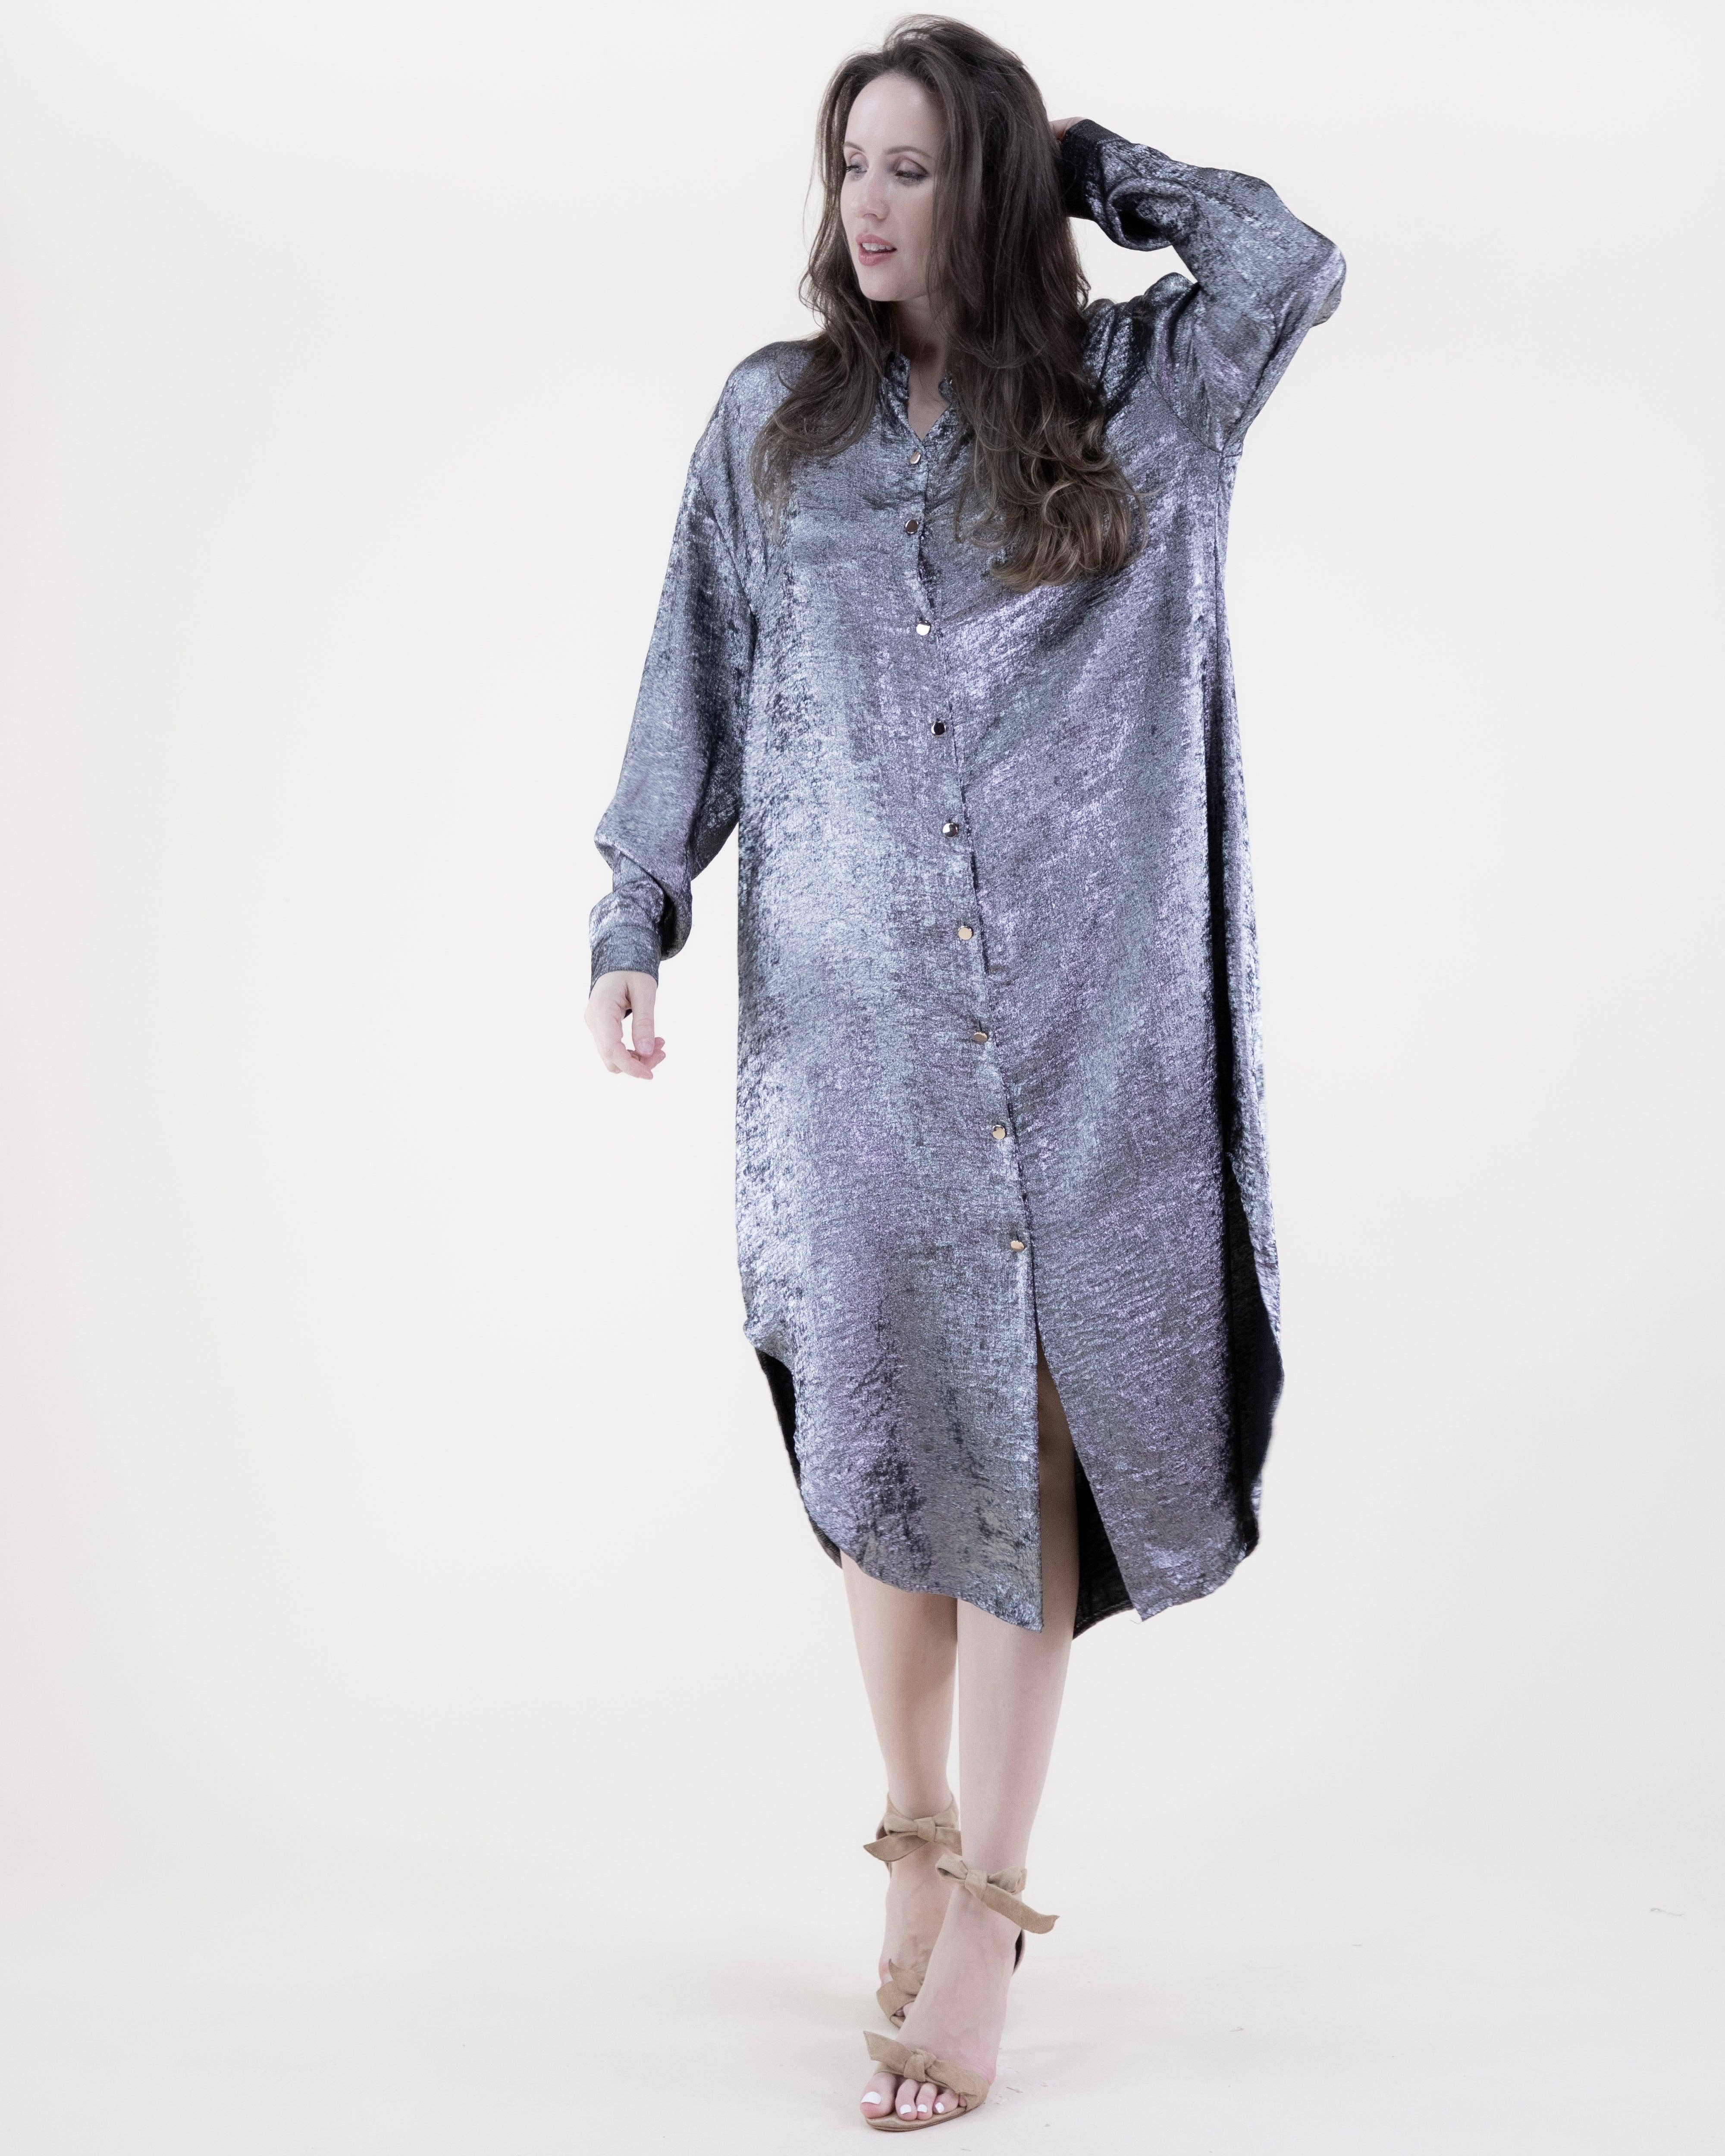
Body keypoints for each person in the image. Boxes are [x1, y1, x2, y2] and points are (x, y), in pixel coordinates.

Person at [584, 13, 1343, 2131]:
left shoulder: (1139, 396)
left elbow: (1289, 265)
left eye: (915, 167)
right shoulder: (774, 422)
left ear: (984, 189)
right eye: (854, 164)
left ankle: (986, 1917)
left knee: (1034, 1440)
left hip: (1088, 1031)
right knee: (883, 1429)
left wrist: (1088, 161)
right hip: (853, 1037)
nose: (869, 206)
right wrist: (633, 907)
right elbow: (697, 670)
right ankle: (911, 1833)